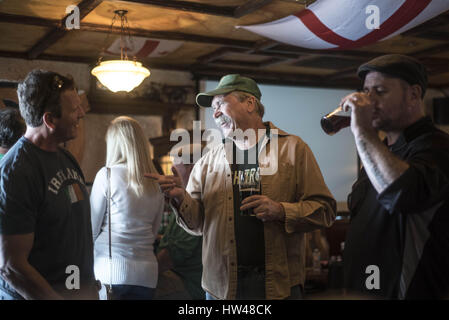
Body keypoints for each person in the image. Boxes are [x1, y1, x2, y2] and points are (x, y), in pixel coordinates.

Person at [147, 74, 336, 300]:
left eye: (221, 104)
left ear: (249, 103)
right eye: (213, 108)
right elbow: (197, 226)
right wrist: (179, 197)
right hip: (221, 287)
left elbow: (325, 210)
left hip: (278, 286)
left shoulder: (293, 149)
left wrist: (281, 210)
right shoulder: (208, 161)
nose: (215, 113)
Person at [342, 54, 449, 299]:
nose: (369, 101)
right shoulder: (384, 151)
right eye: (366, 92)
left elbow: (401, 193)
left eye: (380, 91)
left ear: (413, 94)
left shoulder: (438, 148)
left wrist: (363, 132)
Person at [0, 69, 97, 299]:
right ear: (50, 119)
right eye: (74, 110)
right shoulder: (16, 171)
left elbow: (71, 233)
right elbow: (11, 266)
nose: (81, 114)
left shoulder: (66, 159)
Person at [90, 116, 164, 300]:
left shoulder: (106, 175)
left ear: (114, 144)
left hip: (110, 271)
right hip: (147, 274)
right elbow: (154, 232)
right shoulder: (156, 182)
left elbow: (90, 230)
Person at [155, 144, 204, 300]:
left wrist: (141, 273)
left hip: (189, 284)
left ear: (192, 168)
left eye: (174, 172)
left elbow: (169, 258)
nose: (170, 178)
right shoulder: (184, 199)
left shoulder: (193, 204)